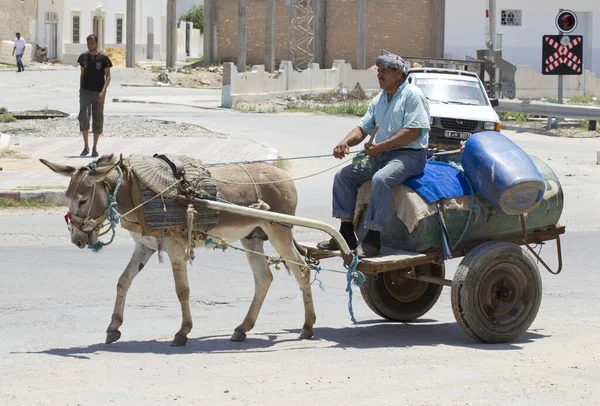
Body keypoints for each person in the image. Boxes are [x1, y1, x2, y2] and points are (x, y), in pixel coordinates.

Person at [317, 53, 430, 257]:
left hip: (409, 156)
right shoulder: (379, 99)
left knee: (381, 179)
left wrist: (380, 147)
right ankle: (346, 233)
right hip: (382, 154)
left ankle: (373, 238)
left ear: (398, 73)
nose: (379, 75)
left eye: (384, 71)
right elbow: (363, 128)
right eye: (378, 71)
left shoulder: (413, 95)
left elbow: (413, 132)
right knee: (344, 177)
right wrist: (345, 142)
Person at [77, 34, 112, 157]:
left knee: (97, 118)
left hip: (98, 92)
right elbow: (82, 74)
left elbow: (108, 76)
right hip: (85, 91)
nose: (90, 45)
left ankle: (94, 147)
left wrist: (103, 92)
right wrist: (81, 89)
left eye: (92, 43)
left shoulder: (103, 58)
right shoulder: (83, 57)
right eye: (88, 43)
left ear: (96, 43)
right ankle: (85, 146)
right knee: (84, 116)